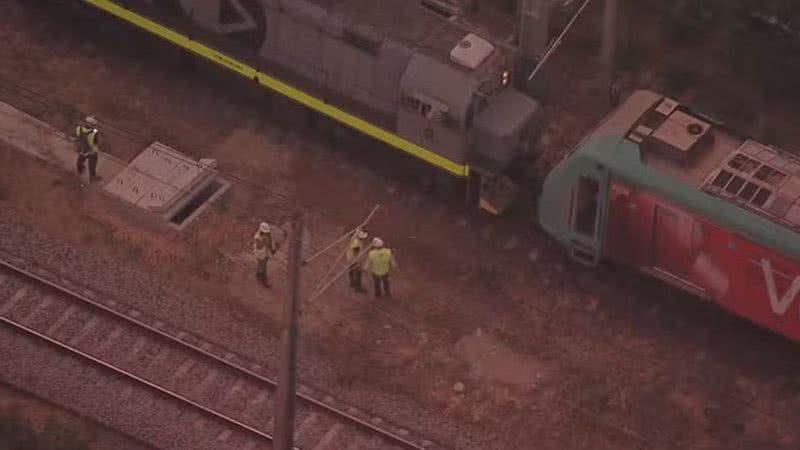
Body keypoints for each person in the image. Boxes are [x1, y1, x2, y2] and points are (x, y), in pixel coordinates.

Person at [74, 115, 101, 183]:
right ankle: (92, 177)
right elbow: (97, 141)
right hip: (92, 151)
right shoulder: (95, 132)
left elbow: (76, 137)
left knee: (80, 161)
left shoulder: (79, 128)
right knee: (92, 165)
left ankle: (79, 172)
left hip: (82, 149)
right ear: (92, 124)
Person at [253, 222, 277, 287]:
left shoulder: (265, 235)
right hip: (260, 254)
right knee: (263, 267)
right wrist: (264, 241)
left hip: (264, 252)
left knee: (261, 263)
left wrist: (271, 249)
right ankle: (263, 280)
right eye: (265, 232)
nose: (267, 233)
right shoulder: (258, 237)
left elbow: (269, 243)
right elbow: (259, 246)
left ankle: (258, 274)